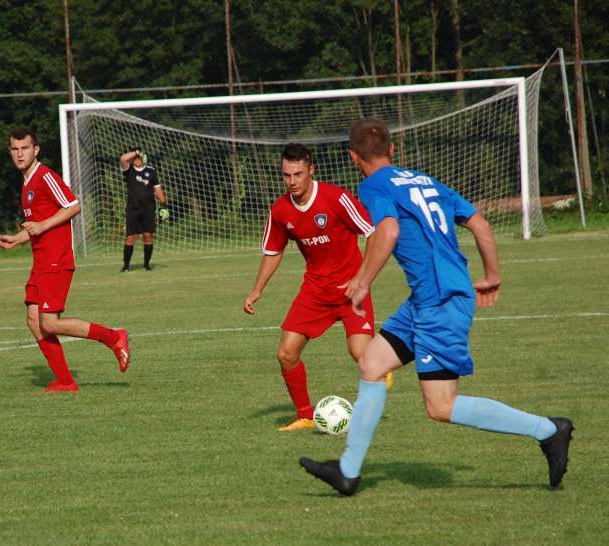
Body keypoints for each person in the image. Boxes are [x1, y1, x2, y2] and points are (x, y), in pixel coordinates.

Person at [299, 118, 573, 494]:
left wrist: (363, 282)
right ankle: (348, 471)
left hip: (440, 301)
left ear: (352, 157)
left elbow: (389, 231)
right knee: (372, 363)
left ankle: (548, 430)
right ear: (392, 150)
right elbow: (480, 225)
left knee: (440, 406)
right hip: (427, 299)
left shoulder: (374, 185)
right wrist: (492, 275)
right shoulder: (424, 180)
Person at [243, 143, 390, 432]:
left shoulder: (336, 198)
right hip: (315, 291)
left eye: (298, 174)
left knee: (361, 355)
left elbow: (372, 232)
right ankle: (305, 416)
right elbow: (273, 250)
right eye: (287, 175)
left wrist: (361, 278)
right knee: (286, 353)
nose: (292, 181)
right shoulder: (281, 210)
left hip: (351, 291)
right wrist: (257, 288)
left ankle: (381, 365)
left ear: (311, 170)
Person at [0, 128, 130, 392]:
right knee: (34, 321)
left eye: (25, 148)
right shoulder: (26, 182)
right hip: (41, 261)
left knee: (50, 322)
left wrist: (42, 226)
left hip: (56, 260)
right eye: (15, 149)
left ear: (36, 150)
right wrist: (19, 238)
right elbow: (37, 226)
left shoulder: (45, 176)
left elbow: (73, 205)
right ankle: (65, 381)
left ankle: (114, 337)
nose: (20, 153)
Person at [119, 148, 166, 271]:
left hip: (148, 209)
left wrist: (164, 206)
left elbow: (158, 189)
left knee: (148, 236)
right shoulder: (128, 170)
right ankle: (126, 266)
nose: (137, 160)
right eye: (135, 158)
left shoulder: (151, 171)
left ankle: (146, 265)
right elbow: (123, 159)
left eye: (139, 157)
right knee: (130, 237)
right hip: (133, 209)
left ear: (144, 158)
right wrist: (136, 153)